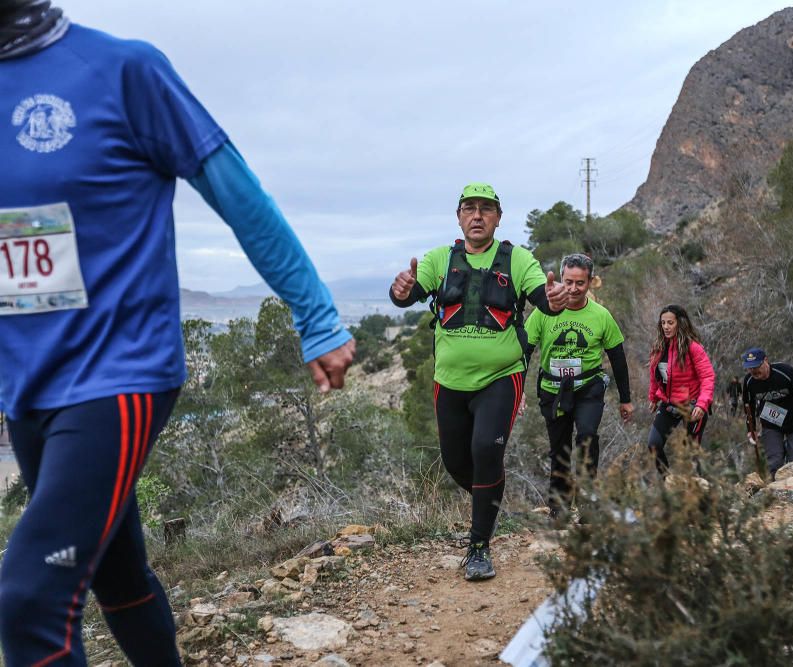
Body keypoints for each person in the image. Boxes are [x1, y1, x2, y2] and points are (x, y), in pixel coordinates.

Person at [0, 5, 356, 664]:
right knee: (116, 573)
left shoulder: (122, 70)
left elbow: (238, 194)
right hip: (25, 388)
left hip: (119, 373)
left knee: (30, 599)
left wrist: (316, 316)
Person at [390, 182, 567, 581]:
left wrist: (553, 300)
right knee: (456, 462)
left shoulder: (518, 260)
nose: (477, 216)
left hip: (501, 378)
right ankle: (490, 502)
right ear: (459, 216)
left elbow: (542, 296)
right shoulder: (440, 259)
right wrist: (399, 292)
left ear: (498, 218)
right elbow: (409, 293)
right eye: (469, 208)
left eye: (486, 209)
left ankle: (478, 547)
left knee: (486, 449)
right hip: (449, 381)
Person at [523, 253, 633, 521]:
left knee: (586, 437)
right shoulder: (543, 313)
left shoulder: (601, 316)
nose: (573, 289)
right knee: (559, 449)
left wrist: (625, 399)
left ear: (589, 283)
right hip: (553, 390)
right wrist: (517, 393)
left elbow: (618, 358)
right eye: (568, 282)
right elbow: (524, 353)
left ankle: (587, 506)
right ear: (561, 279)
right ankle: (558, 509)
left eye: (579, 283)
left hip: (588, 389)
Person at [646, 305, 716, 472]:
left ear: (680, 323)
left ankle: (698, 490)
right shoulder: (658, 348)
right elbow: (655, 375)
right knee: (653, 445)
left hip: (692, 407)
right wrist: (653, 398)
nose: (666, 327)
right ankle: (667, 483)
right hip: (668, 404)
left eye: (670, 322)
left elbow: (708, 377)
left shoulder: (693, 347)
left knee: (691, 453)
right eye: (663, 323)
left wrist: (702, 404)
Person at [741, 348, 793, 480]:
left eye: (757, 366)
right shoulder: (749, 381)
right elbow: (748, 405)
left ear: (766, 361)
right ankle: (776, 493)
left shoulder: (784, 372)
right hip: (770, 423)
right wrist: (750, 429)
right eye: (750, 368)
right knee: (774, 461)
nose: (754, 371)